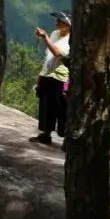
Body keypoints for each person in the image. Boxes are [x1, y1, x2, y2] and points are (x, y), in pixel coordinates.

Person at [30, 11, 72, 147]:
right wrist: (41, 75)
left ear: (68, 25)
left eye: (60, 21)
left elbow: (58, 53)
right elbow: (49, 56)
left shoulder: (71, 39)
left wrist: (45, 37)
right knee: (46, 106)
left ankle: (67, 139)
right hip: (48, 73)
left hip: (60, 76)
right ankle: (46, 134)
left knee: (62, 108)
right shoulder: (55, 34)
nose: (57, 22)